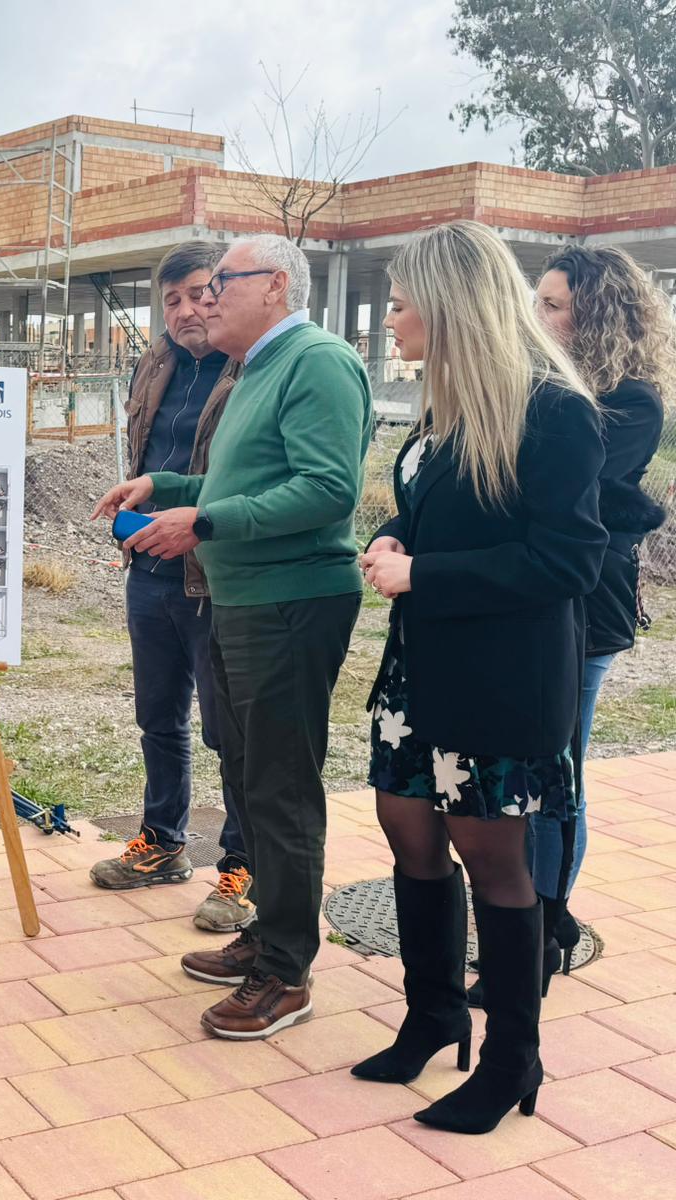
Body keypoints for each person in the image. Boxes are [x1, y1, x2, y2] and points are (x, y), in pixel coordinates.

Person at [349, 221, 606, 1135]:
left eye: (402, 301)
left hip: (498, 683)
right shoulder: (443, 409)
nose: (392, 318)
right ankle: (432, 1014)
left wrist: (427, 575)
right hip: (420, 676)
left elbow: (568, 561)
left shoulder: (555, 411)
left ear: (452, 307)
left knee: (492, 859)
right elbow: (441, 515)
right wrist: (395, 537)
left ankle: (512, 1059)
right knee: (408, 834)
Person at [94, 233, 372, 1039]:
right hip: (242, 598)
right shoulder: (258, 365)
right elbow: (246, 477)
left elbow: (325, 489)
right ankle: (268, 935)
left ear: (277, 286)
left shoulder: (315, 361)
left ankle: (287, 973)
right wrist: (170, 485)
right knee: (250, 779)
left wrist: (204, 519)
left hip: (290, 601)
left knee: (281, 788)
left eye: (223, 282)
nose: (205, 298)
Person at [89, 240, 255, 935]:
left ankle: (244, 869)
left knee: (232, 731)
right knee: (158, 718)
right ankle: (163, 841)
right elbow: (147, 455)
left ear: (224, 290)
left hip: (215, 576)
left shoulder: (252, 368)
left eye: (198, 293)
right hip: (150, 570)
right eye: (173, 300)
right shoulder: (154, 362)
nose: (187, 310)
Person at [523, 245, 671, 981]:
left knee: (559, 772)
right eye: (538, 301)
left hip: (589, 610)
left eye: (552, 305)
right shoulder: (539, 387)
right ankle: (539, 911)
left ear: (597, 317)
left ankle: (547, 929)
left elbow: (563, 497)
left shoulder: (633, 402)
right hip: (532, 598)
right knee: (526, 766)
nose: (537, 316)